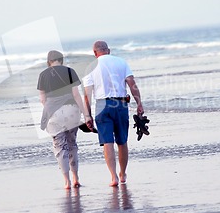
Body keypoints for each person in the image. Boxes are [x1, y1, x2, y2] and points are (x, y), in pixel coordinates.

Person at [83, 40, 144, 187]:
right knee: (122, 141)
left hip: (102, 105)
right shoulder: (121, 62)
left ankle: (113, 177)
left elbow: (87, 94)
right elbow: (131, 83)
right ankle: (123, 174)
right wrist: (139, 103)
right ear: (108, 50)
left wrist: (87, 115)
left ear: (95, 53)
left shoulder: (90, 67)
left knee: (107, 142)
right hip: (121, 103)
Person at [37, 50, 91, 190]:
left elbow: (42, 99)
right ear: (61, 60)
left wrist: (51, 109)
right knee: (72, 144)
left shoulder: (43, 75)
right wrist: (86, 114)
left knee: (60, 147)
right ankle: (76, 178)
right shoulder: (69, 71)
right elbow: (76, 95)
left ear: (49, 61)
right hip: (71, 111)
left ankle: (66, 182)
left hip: (53, 113)